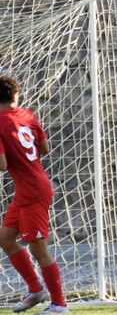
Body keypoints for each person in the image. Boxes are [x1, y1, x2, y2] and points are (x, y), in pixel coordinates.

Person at [0, 75, 68, 314]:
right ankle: (35, 289)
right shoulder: (27, 114)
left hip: (32, 192)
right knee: (6, 238)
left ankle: (59, 305)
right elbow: (45, 148)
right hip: (30, 188)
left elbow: (2, 164)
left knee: (39, 248)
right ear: (15, 96)